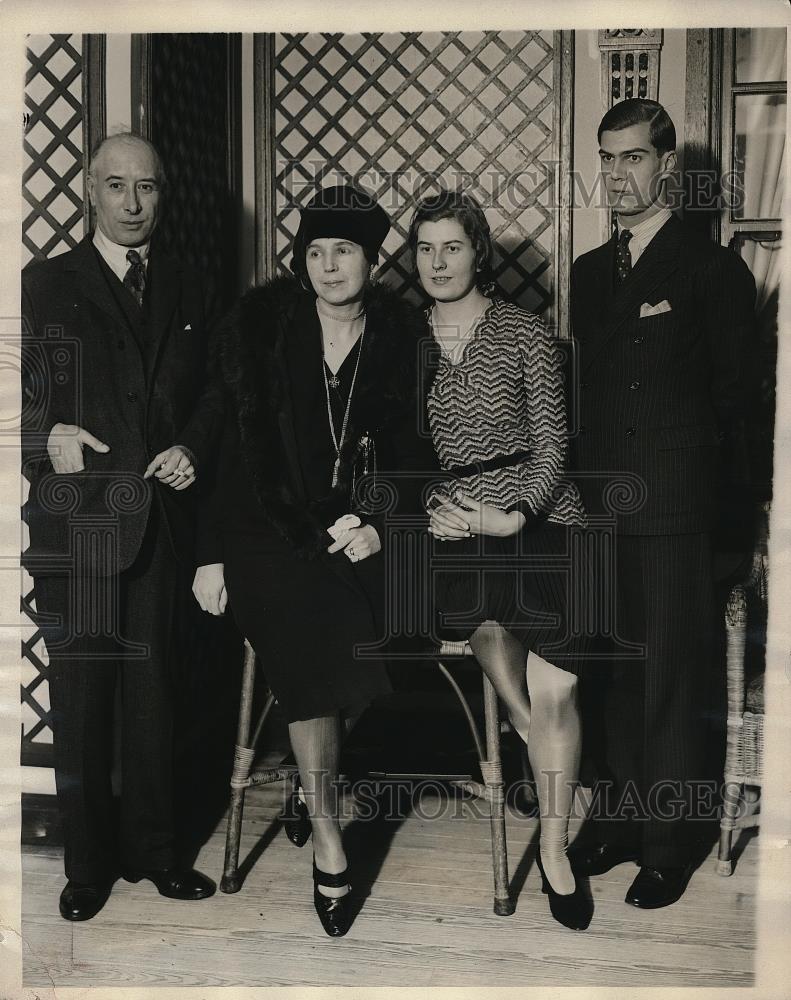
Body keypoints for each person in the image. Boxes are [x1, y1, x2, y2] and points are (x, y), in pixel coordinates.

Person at [192, 184, 436, 937]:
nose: (329, 267)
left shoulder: (403, 338)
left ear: (372, 260)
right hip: (265, 531)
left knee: (364, 615)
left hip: (357, 529)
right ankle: (329, 833)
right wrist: (210, 556)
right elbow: (229, 448)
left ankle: (309, 782)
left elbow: (416, 454)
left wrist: (380, 523)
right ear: (301, 262)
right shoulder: (261, 329)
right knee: (309, 618)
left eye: (345, 252)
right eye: (316, 252)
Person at [21, 133, 223, 920]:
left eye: (147, 188)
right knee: (81, 706)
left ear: (162, 194)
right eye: (116, 187)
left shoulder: (191, 284)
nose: (133, 205)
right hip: (79, 528)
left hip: (161, 527)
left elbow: (213, 395)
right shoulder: (43, 285)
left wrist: (191, 448)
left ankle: (155, 853)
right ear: (88, 192)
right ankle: (86, 868)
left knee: (154, 701)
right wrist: (47, 439)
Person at [569, 98, 756, 908]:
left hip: (679, 510)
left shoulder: (711, 270)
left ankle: (668, 843)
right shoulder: (584, 272)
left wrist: (735, 531)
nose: (617, 176)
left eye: (633, 159)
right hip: (601, 509)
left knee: (673, 682)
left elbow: (742, 409)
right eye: (606, 160)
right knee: (608, 672)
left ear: (667, 168)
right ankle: (613, 820)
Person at [409, 190, 592, 931]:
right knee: (482, 625)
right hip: (455, 525)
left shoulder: (523, 332)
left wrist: (512, 514)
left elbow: (553, 444)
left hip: (541, 515)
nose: (437, 262)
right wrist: (433, 507)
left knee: (555, 688)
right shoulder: (405, 339)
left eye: (451, 246)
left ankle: (553, 852)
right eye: (424, 248)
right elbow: (395, 450)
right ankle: (531, 743)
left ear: (477, 252)